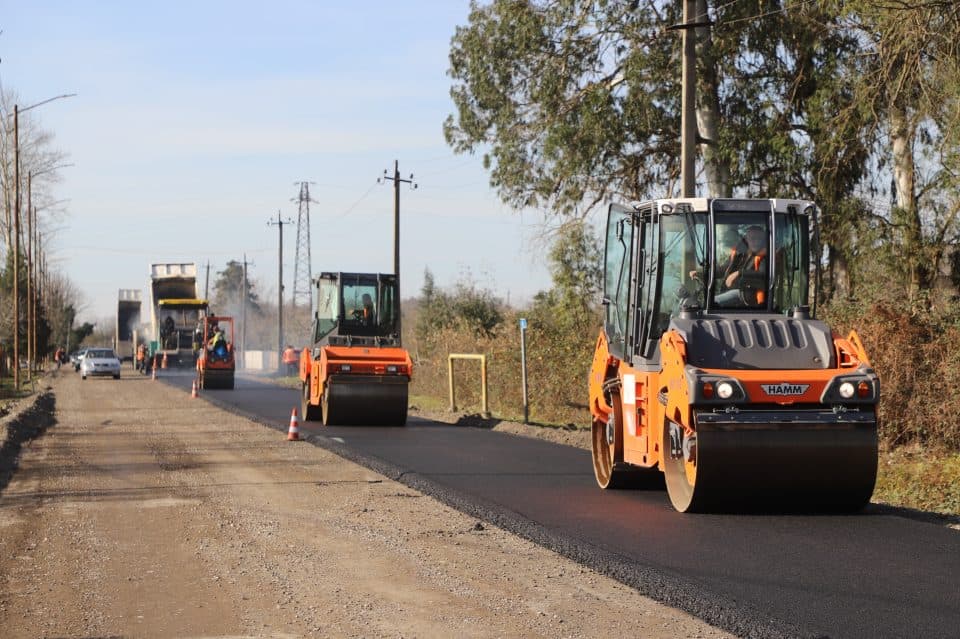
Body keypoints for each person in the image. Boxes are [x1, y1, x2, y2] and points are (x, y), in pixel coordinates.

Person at [715, 225, 768, 306]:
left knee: (714, 302)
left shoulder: (764, 258)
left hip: (745, 295)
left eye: (759, 239)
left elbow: (763, 275)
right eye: (753, 239)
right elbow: (723, 269)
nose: (756, 242)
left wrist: (739, 273)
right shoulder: (740, 254)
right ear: (746, 240)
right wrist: (703, 273)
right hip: (729, 291)